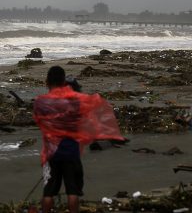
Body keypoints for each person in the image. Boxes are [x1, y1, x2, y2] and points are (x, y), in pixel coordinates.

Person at [33, 66, 124, 213]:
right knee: (72, 191)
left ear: (47, 81)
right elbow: (89, 115)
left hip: (51, 153)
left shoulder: (41, 101)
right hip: (71, 151)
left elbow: (39, 121)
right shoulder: (76, 101)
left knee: (48, 192)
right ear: (64, 81)